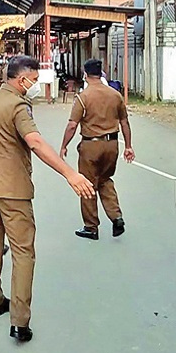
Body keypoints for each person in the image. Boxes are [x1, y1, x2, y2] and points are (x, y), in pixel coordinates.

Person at [0, 55, 95, 342]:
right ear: (21, 80)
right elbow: (36, 142)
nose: (35, 85)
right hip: (13, 190)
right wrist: (69, 173)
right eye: (34, 80)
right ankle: (20, 321)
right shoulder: (18, 105)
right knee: (23, 252)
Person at [60, 59, 135, 240]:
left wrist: (63, 146)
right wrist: (129, 146)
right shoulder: (115, 95)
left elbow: (72, 125)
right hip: (112, 145)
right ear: (101, 73)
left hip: (91, 145)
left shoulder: (83, 97)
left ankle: (91, 227)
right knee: (105, 180)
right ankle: (116, 217)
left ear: (85, 74)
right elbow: (124, 122)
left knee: (87, 184)